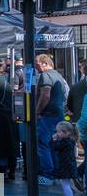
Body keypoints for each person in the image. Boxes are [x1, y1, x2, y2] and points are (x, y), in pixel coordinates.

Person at [35, 54, 69, 184]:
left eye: (37, 63)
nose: (36, 66)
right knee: (54, 145)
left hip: (48, 115)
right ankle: (55, 174)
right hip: (58, 115)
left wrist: (37, 111)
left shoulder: (46, 75)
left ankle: (47, 175)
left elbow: (45, 94)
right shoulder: (58, 75)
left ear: (44, 63)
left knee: (44, 144)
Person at [51, 121, 80, 196]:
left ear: (66, 133)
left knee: (65, 183)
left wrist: (54, 140)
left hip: (66, 166)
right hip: (68, 165)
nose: (57, 134)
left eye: (59, 132)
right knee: (66, 183)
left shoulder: (66, 142)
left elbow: (55, 147)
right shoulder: (69, 141)